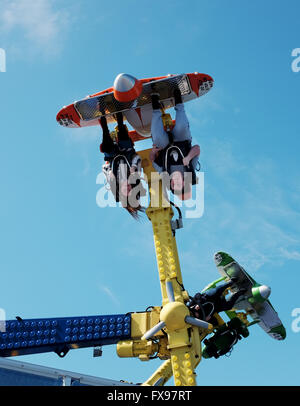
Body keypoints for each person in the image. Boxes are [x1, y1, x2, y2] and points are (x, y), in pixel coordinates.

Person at [149, 89, 200, 200]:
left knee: (156, 136)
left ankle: (155, 101)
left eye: (173, 185)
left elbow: (152, 160)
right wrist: (188, 157)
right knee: (182, 125)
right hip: (182, 140)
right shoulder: (189, 170)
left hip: (165, 145)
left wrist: (153, 152)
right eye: (179, 184)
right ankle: (177, 98)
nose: (175, 182)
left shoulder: (165, 174)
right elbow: (197, 149)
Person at [100, 112, 145, 219]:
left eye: (127, 191)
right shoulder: (135, 179)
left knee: (107, 147)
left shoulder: (114, 186)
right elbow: (137, 158)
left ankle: (103, 120)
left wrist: (110, 173)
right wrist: (133, 167)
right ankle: (119, 116)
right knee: (125, 141)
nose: (129, 188)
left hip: (113, 156)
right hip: (126, 152)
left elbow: (104, 168)